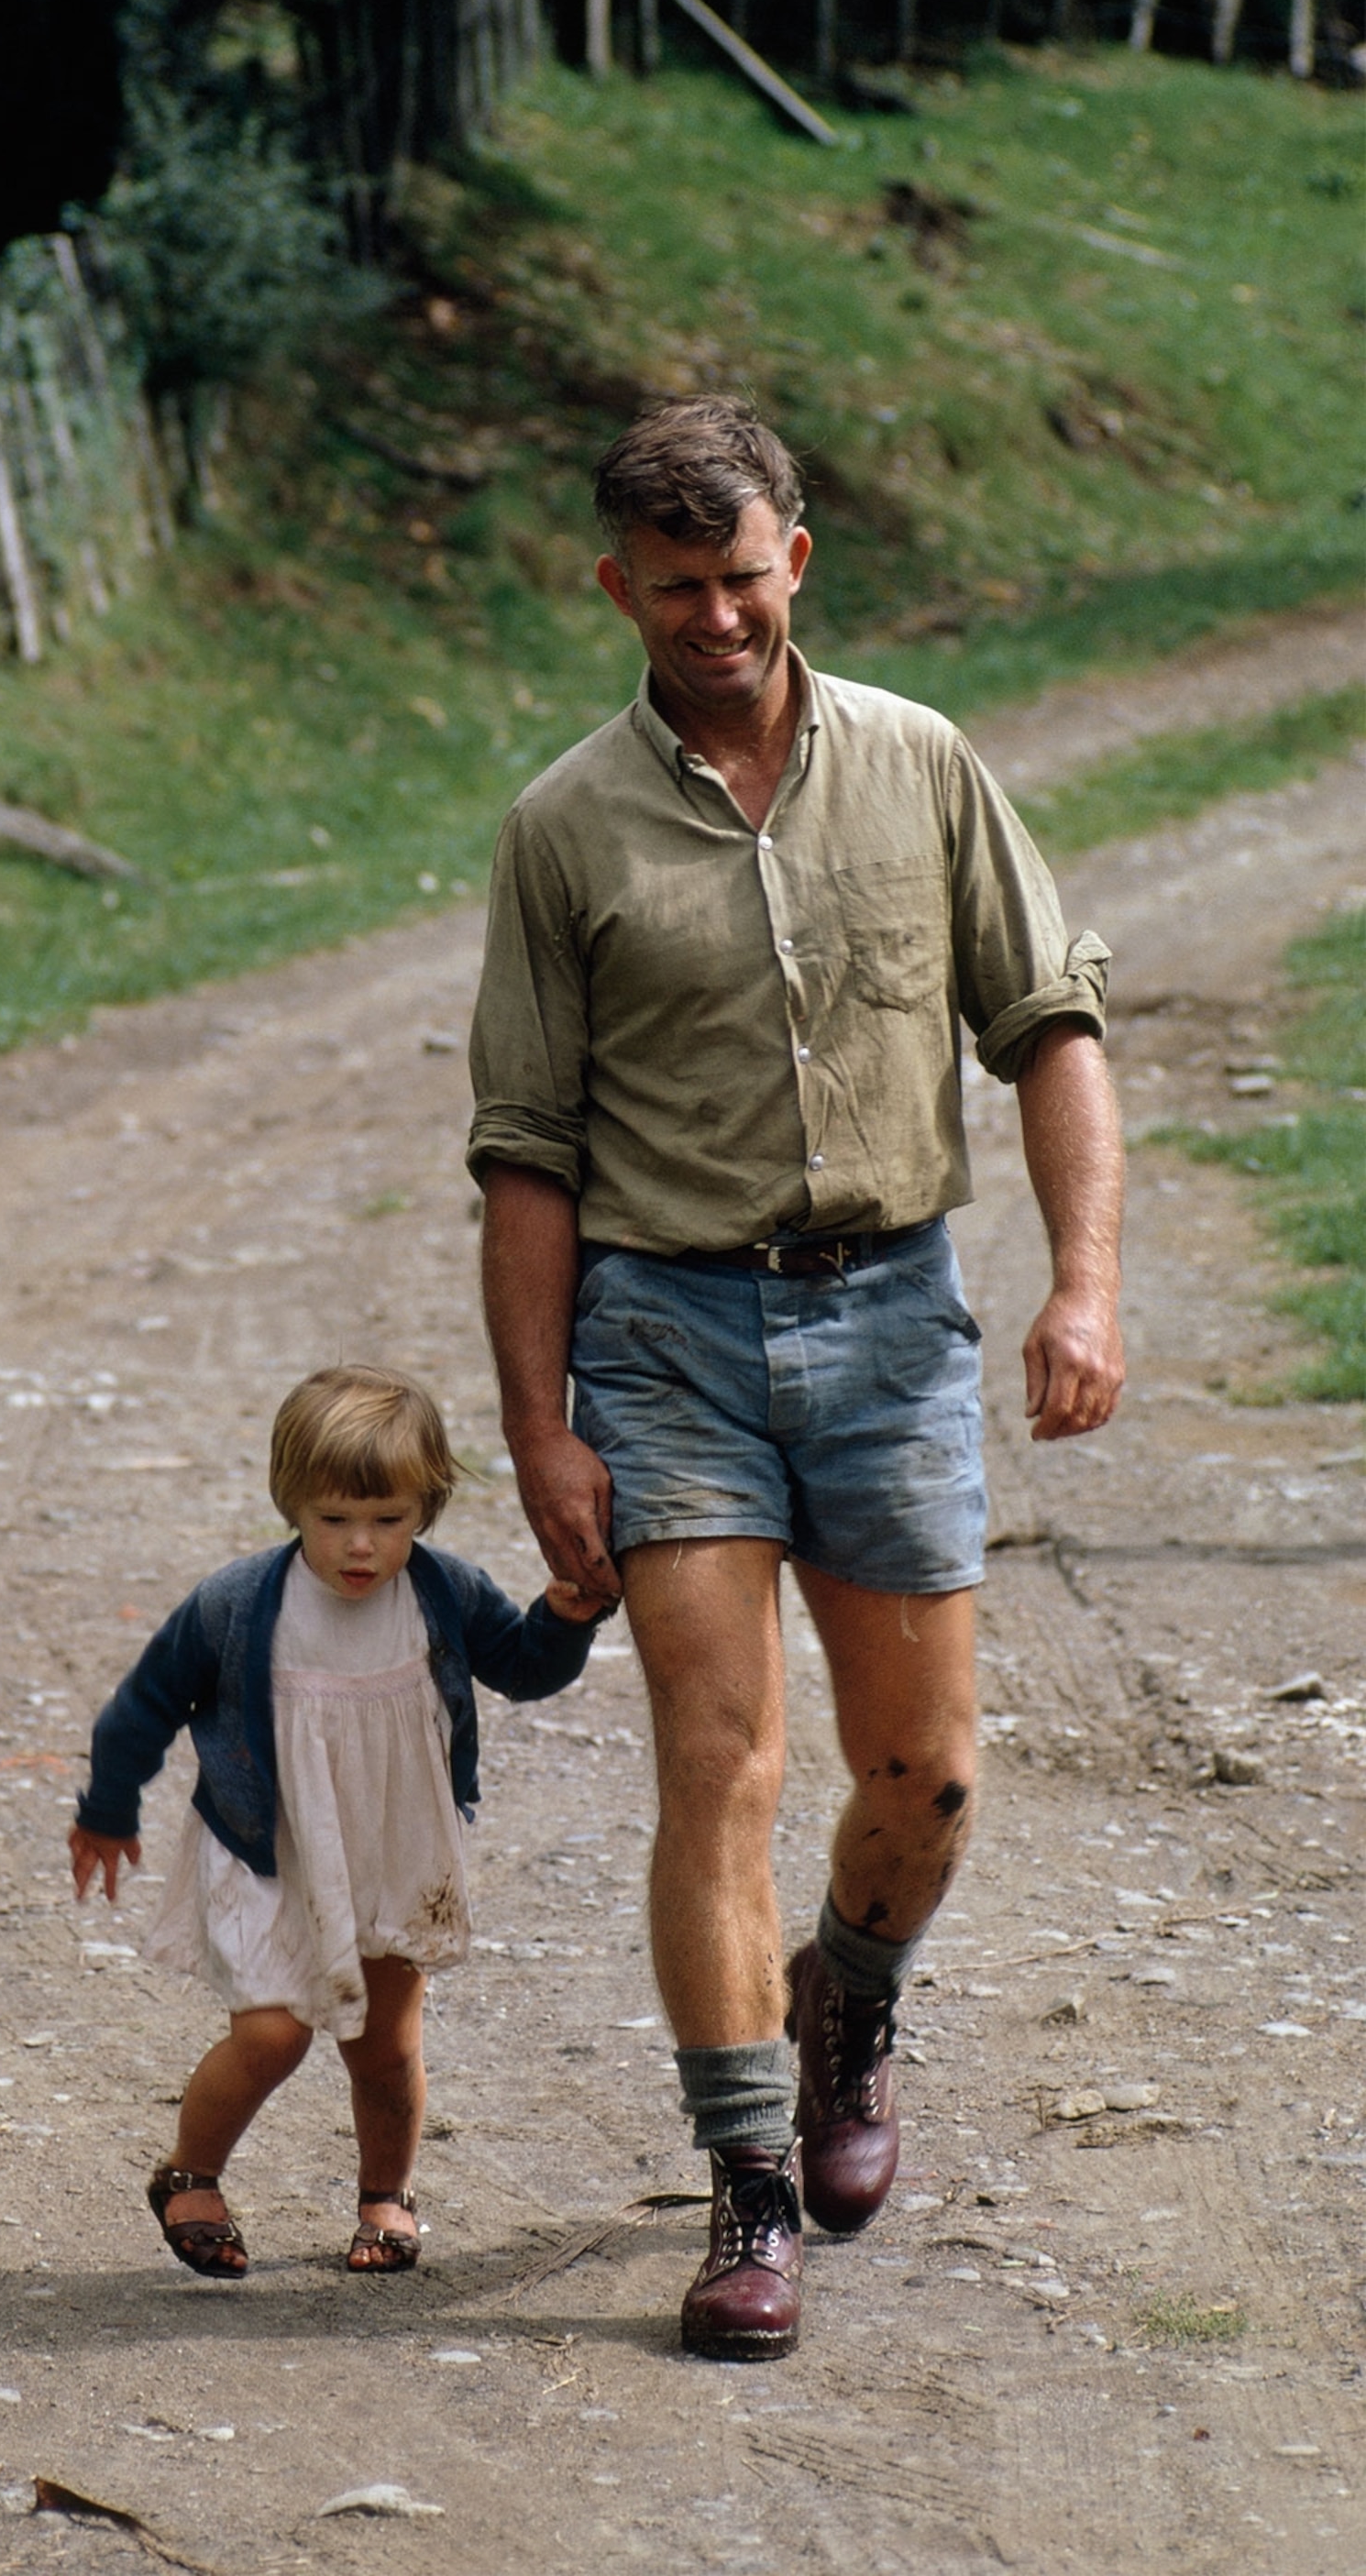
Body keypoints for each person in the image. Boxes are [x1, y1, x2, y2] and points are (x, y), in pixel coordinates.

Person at [468, 395, 1124, 2361]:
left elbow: (1049, 1024)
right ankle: (746, 2185)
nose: (715, 617)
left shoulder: (922, 769)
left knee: (922, 1777)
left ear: (796, 562)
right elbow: (526, 1154)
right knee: (717, 1767)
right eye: (673, 587)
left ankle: (847, 2009)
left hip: (891, 1318)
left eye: (742, 577)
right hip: (662, 1336)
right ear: (617, 588)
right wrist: (536, 1430)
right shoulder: (563, 826)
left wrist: (1079, 1284)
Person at [70, 1362, 606, 2279]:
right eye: (333, 1521)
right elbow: (143, 1705)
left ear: (425, 1509)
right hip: (269, 1848)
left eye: (386, 1521)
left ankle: (384, 2198)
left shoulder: (441, 1593)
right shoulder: (237, 1607)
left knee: (383, 2042)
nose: (359, 1546)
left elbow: (521, 1668)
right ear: (290, 1503)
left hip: (391, 1843)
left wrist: (563, 1619)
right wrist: (108, 1808)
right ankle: (188, 2176)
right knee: (272, 2034)